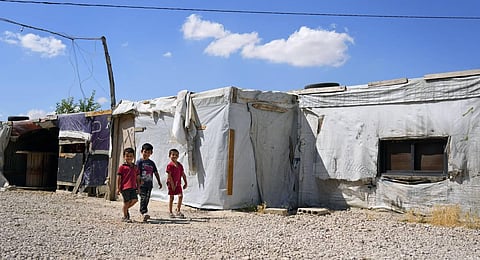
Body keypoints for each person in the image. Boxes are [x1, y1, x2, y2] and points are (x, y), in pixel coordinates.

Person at [136, 143, 162, 222]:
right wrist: (138, 183)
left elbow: (156, 173)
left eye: (148, 152)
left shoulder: (151, 163)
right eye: (145, 152)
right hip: (142, 184)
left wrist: (159, 182)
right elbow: (136, 173)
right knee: (143, 198)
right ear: (141, 151)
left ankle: (143, 211)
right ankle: (143, 212)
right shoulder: (139, 162)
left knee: (147, 198)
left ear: (151, 153)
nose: (146, 154)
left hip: (149, 184)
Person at [116, 147, 140, 223]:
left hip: (133, 187)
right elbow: (119, 178)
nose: (129, 158)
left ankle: (125, 209)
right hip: (125, 187)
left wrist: (138, 187)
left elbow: (137, 178)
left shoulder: (135, 167)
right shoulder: (122, 167)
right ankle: (125, 216)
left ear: (133, 157)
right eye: (127, 156)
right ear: (124, 157)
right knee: (126, 202)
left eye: (130, 156)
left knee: (135, 200)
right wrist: (118, 188)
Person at [166, 148, 187, 218]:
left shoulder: (180, 165)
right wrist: (172, 184)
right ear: (170, 156)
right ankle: (170, 211)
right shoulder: (170, 165)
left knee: (180, 196)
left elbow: (183, 174)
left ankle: (178, 209)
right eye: (173, 155)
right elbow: (169, 176)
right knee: (171, 197)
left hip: (178, 184)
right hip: (171, 184)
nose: (174, 156)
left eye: (176, 155)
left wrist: (185, 182)